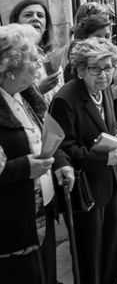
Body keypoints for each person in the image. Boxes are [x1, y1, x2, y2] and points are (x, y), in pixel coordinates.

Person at [49, 37, 117, 284]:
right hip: (86, 188)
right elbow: (64, 148)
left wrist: (116, 135)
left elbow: (104, 126)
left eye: (108, 67)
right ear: (80, 70)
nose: (103, 75)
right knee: (89, 253)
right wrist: (103, 158)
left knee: (111, 247)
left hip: (111, 182)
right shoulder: (65, 99)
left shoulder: (102, 89)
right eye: (95, 69)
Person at [0, 24, 74, 284]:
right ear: (10, 69)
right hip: (11, 221)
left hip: (41, 206)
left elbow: (45, 135)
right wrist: (23, 168)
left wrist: (61, 164)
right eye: (33, 59)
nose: (40, 63)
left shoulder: (25, 95)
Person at [9, 0, 62, 103]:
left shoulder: (51, 55)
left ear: (46, 26)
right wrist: (38, 91)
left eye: (40, 15)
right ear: (16, 22)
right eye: (28, 15)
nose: (35, 18)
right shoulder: (9, 56)